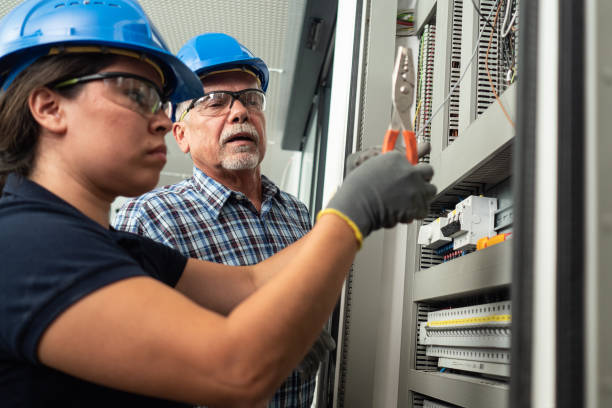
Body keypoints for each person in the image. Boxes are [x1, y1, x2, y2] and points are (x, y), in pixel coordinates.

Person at [0, 0, 437, 406]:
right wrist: (352, 213)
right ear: (49, 107)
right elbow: (235, 371)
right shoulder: (25, 246)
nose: (160, 120)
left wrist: (348, 200)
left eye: (250, 100)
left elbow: (250, 285)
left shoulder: (107, 245)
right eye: (139, 94)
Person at [113, 33, 322, 408]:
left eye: (251, 99)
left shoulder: (297, 213)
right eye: (214, 101)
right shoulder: (149, 218)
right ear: (181, 135)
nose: (240, 111)